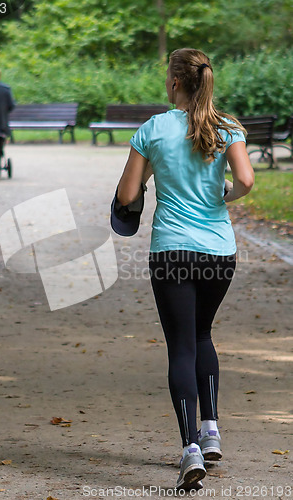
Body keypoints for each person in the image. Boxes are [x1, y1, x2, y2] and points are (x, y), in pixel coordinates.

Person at [114, 48, 254, 490]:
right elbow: (247, 182)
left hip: (172, 253)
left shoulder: (153, 129)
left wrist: (152, 175)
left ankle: (190, 448)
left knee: (180, 346)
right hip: (218, 253)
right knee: (202, 335)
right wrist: (222, 195)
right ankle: (211, 432)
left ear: (175, 82)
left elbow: (126, 194)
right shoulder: (227, 127)